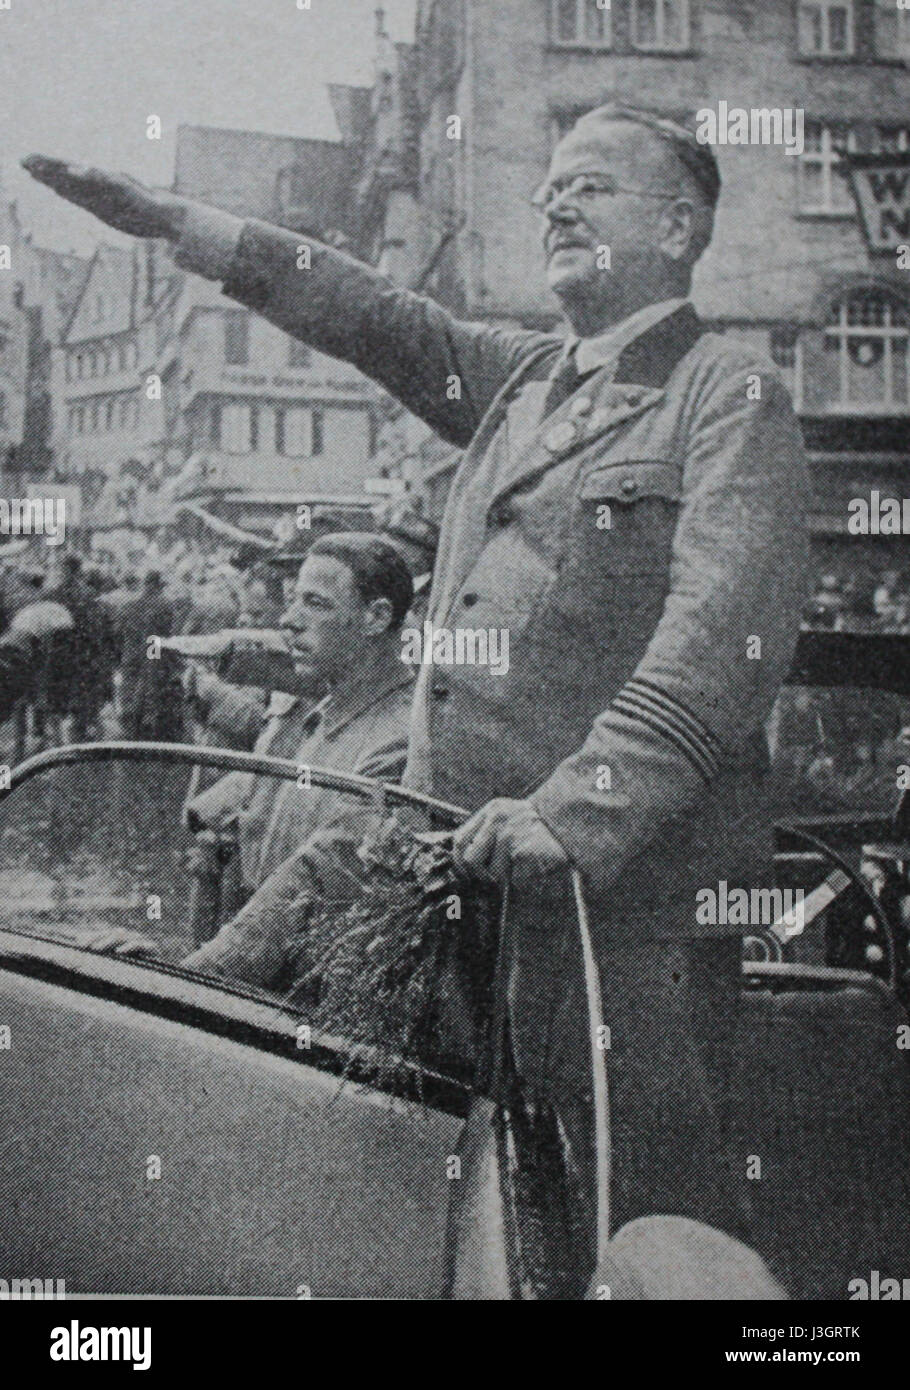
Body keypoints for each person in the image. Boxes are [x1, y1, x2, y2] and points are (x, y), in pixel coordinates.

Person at [25, 104, 810, 1251]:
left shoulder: (725, 392)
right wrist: (177, 225)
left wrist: (584, 805)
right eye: (549, 184)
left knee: (651, 1215)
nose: (554, 204)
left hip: (624, 915)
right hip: (479, 889)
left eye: (589, 186)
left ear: (679, 226)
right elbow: (370, 314)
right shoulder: (528, 380)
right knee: (494, 1217)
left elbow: (725, 629)